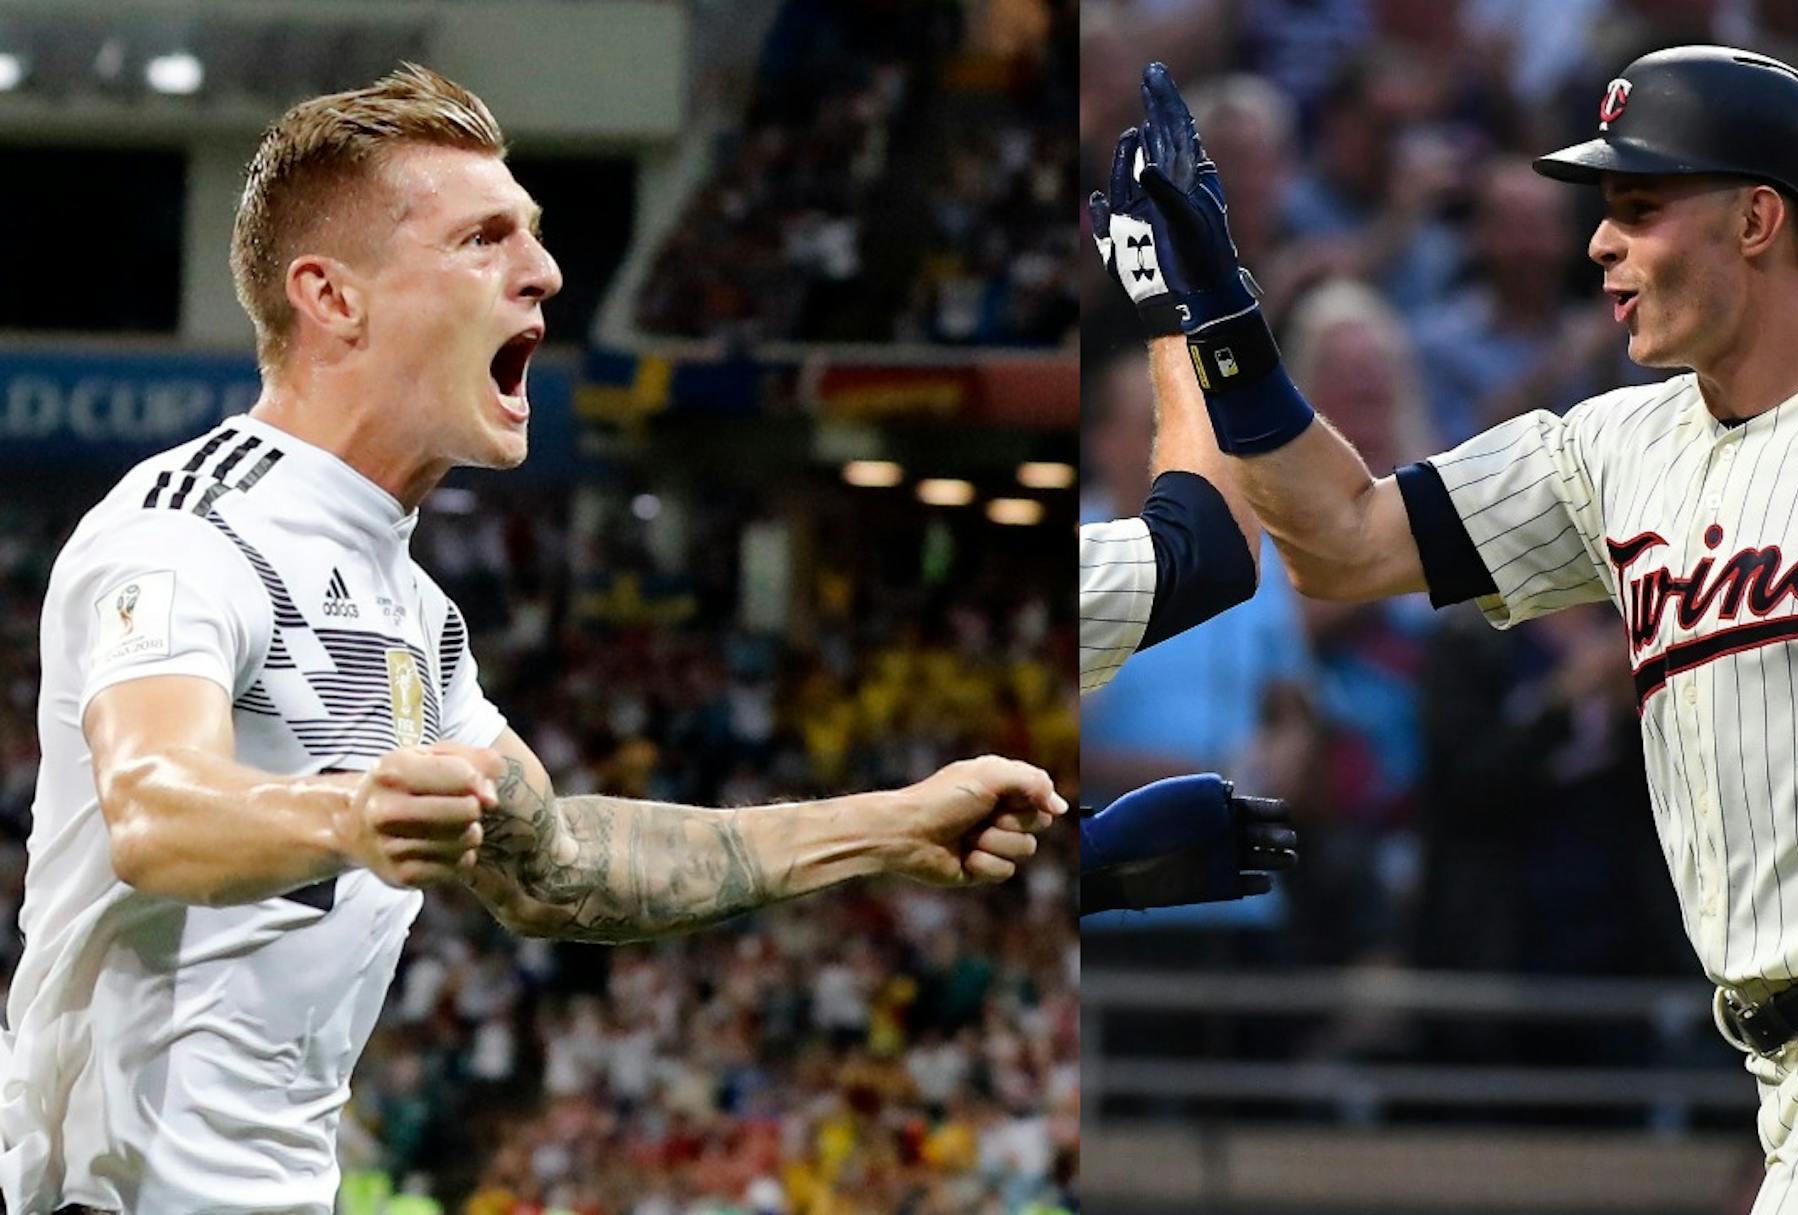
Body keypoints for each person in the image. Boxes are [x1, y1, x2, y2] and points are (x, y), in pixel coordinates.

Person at [0, 65, 1064, 1215]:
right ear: (334, 298)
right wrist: (347, 815)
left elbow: (556, 866)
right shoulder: (188, 529)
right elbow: (153, 810)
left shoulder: (415, 612)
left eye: (536, 236)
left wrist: (892, 825)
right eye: (483, 239)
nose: (546, 272)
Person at [1126, 49, 1798, 1212]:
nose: (1597, 245)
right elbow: (1345, 538)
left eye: (1638, 207)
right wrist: (1222, 318)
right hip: (1795, 1057)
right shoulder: (1613, 448)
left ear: (1759, 218)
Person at [1079, 126, 1296, 914]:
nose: (1176, 437)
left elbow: (1291, 703)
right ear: (1100, 438)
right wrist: (1185, 308)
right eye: (1159, 422)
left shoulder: (1250, 534)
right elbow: (1210, 554)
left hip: (1233, 901)